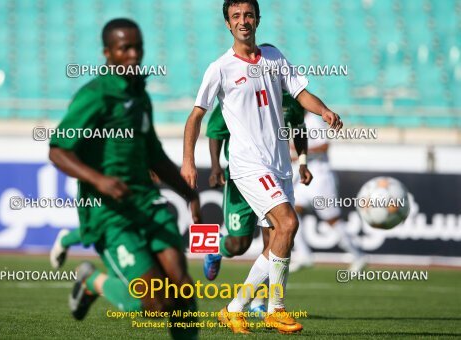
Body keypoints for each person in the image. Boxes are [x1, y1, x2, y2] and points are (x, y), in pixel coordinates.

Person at [181, 0, 342, 334]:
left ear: (258, 19)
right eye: (236, 16)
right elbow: (196, 116)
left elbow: (300, 94)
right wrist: (188, 161)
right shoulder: (220, 68)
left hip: (279, 165)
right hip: (248, 165)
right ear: (227, 24)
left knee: (279, 239)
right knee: (287, 223)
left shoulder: (273, 56)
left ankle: (237, 308)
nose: (243, 21)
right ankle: (275, 309)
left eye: (248, 15)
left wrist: (323, 110)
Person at [49, 18, 200, 339]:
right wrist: (98, 180)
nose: (133, 54)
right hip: (110, 214)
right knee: (156, 302)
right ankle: (92, 282)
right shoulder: (96, 95)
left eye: (138, 47)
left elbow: (154, 153)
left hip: (147, 203)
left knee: (182, 289)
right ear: (108, 53)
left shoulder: (140, 93)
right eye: (125, 48)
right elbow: (58, 150)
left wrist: (188, 192)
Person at [204, 85, 313, 319]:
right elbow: (214, 130)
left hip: (275, 175)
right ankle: (215, 248)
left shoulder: (290, 100)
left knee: (276, 238)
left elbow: (299, 130)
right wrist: (215, 167)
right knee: (239, 245)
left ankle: (260, 303)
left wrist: (302, 161)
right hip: (244, 174)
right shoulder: (239, 94)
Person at [289, 112, 366, 272]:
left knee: (332, 220)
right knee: (292, 212)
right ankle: (304, 255)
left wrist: (302, 152)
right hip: (303, 178)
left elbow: (324, 145)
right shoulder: (294, 122)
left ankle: (358, 255)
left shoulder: (312, 121)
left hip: (320, 178)